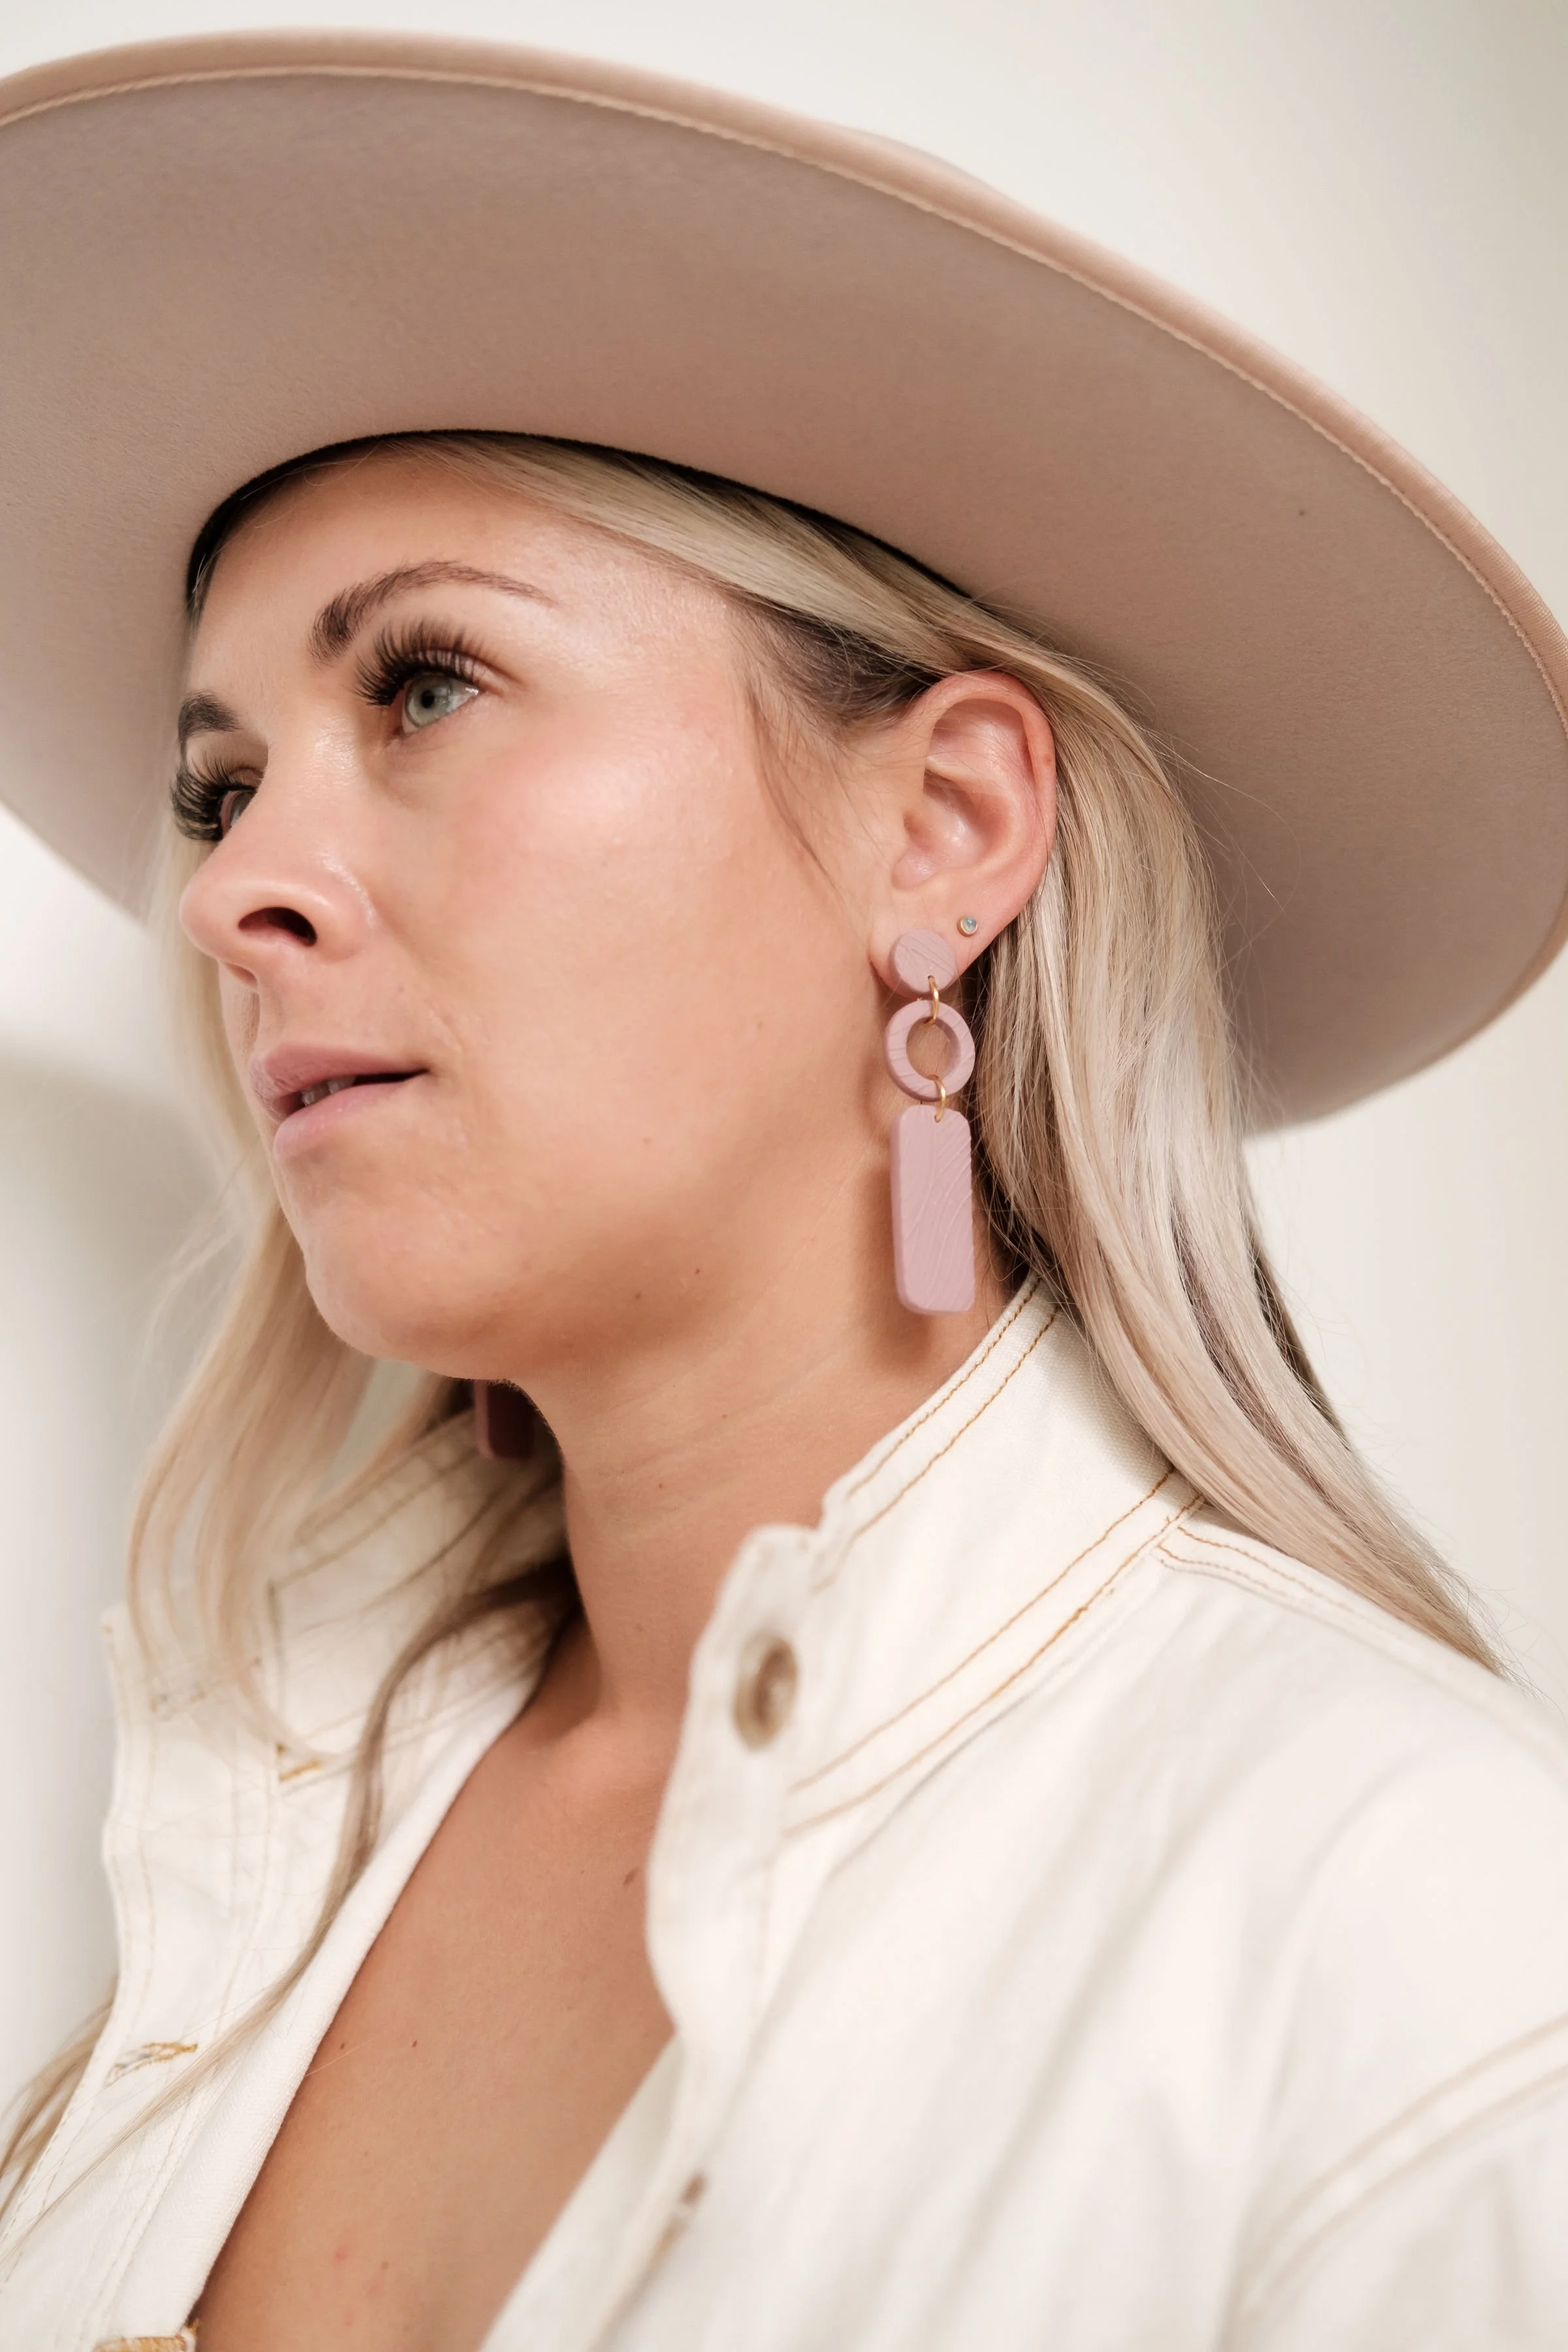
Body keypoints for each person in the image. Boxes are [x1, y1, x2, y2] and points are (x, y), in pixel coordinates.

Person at [1, 30, 1566, 2352]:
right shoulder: (268, 1830)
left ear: (943, 839)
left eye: (424, 687)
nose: (242, 896)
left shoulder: (1418, 1942)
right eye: (220, 787)